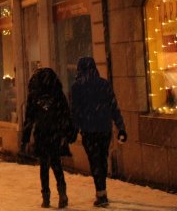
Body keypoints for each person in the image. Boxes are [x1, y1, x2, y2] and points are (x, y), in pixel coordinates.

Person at [71, 57, 126, 207]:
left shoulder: (77, 87)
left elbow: (75, 112)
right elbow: (114, 107)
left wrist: (73, 130)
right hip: (104, 129)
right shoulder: (104, 84)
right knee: (102, 159)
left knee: (94, 161)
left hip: (89, 130)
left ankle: (101, 193)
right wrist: (121, 127)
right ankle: (102, 190)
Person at [21, 68, 75, 208]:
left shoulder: (34, 96)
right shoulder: (57, 94)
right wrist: (68, 133)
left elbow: (29, 118)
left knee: (44, 167)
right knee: (56, 164)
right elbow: (65, 114)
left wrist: (25, 139)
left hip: (41, 134)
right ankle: (62, 192)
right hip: (55, 133)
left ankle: (46, 197)